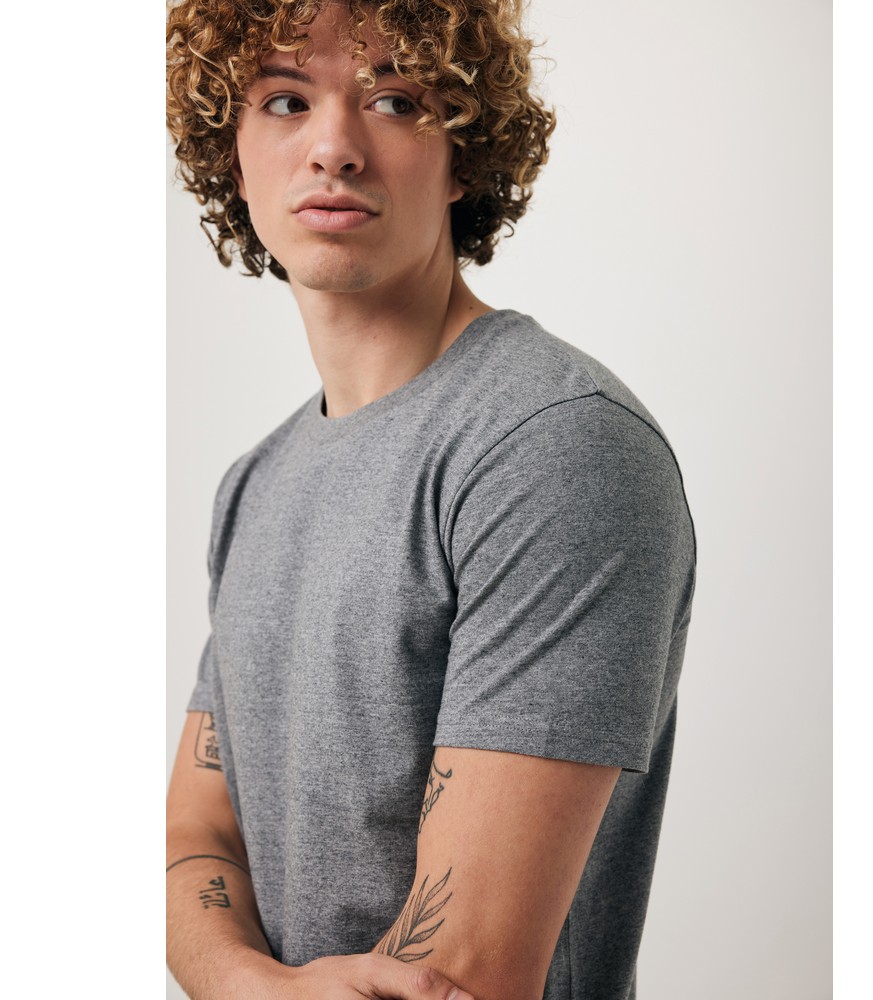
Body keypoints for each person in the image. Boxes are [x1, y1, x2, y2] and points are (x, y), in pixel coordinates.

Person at [165, 1, 696, 998]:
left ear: (464, 156)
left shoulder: (551, 445)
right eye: (285, 100)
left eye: (396, 100)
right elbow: (196, 834)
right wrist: (250, 984)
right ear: (228, 154)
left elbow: (460, 977)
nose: (334, 146)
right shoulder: (255, 483)